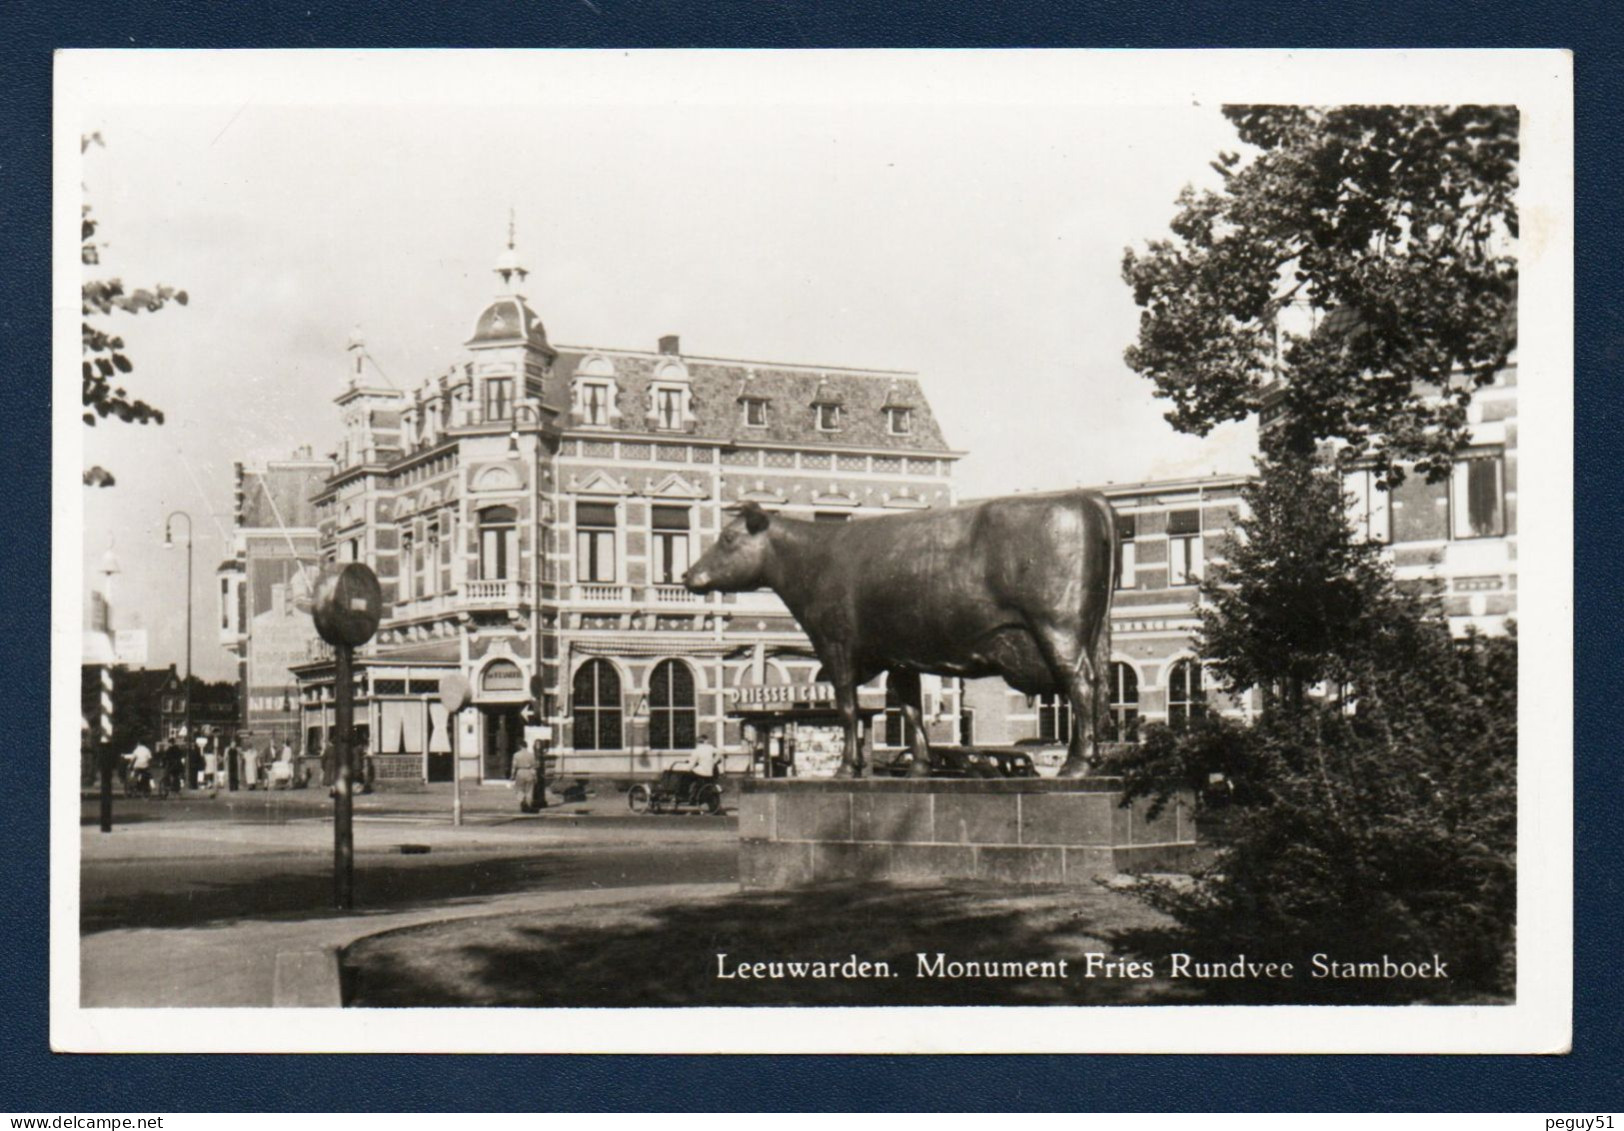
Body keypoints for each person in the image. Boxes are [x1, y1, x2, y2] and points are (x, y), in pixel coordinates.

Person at [511, 744, 539, 813]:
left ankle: (522, 801)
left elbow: (514, 766)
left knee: (519, 789)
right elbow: (534, 766)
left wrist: (512, 775)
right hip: (529, 771)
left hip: (520, 771)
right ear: (526, 746)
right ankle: (528, 804)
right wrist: (535, 776)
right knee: (529, 790)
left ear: (520, 746)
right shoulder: (531, 755)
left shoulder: (516, 755)